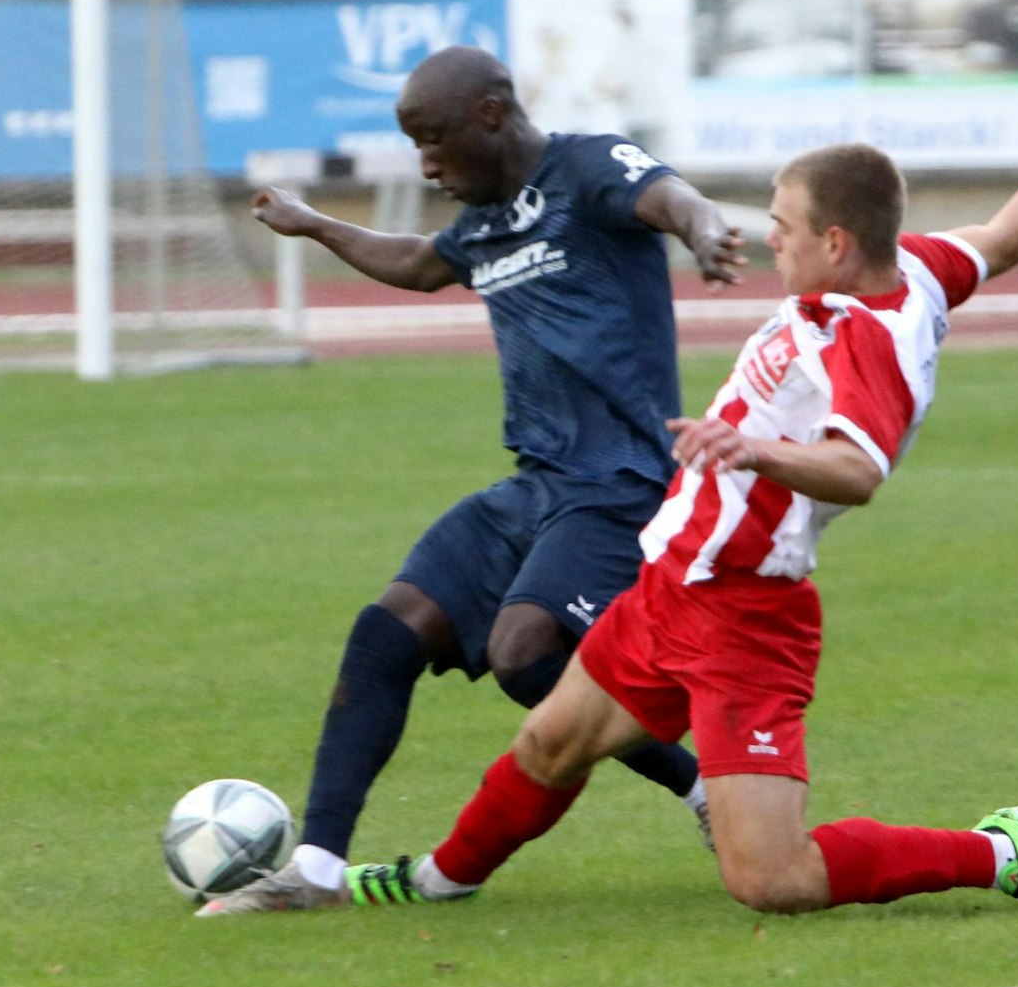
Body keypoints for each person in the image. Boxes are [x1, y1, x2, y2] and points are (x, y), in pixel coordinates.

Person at [201, 70, 1018, 919]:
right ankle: (430, 882)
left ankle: (1000, 851)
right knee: (548, 746)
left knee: (771, 881)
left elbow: (859, 471)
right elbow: (1002, 240)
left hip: (744, 611)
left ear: (835, 244)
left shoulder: (863, 339)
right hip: (671, 577)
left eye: (783, 226)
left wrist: (752, 447)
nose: (770, 239)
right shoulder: (917, 266)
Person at [209, 45, 749, 911]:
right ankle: (313, 871)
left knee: (524, 652)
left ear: (490, 114)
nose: (425, 162)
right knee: (387, 632)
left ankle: (703, 789)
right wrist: (315, 225)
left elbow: (669, 195)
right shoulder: (485, 223)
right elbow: (419, 262)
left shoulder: (585, 167)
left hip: (621, 485)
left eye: (432, 138)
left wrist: (701, 229)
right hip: (535, 487)